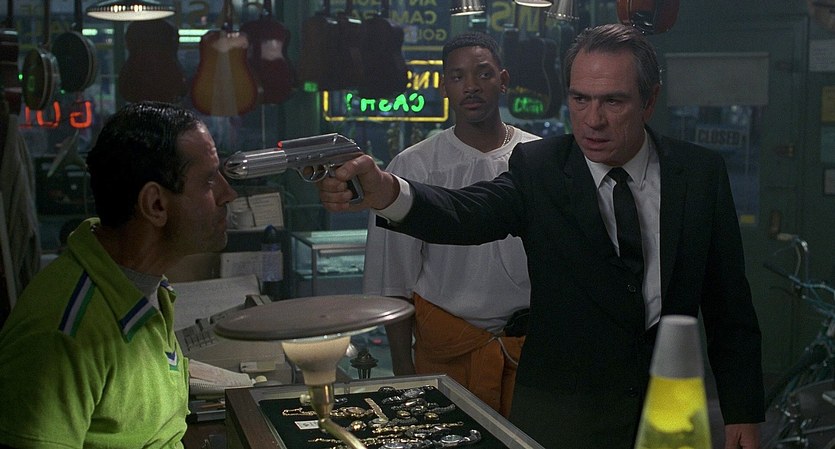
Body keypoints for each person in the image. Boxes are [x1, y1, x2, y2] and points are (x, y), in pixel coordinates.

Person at [318, 24, 764, 449]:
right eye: (580, 99)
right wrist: (386, 191)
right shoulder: (539, 166)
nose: (593, 120)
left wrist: (742, 411)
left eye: (613, 101)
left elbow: (729, 305)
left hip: (667, 407)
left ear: (649, 101)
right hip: (561, 413)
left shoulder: (699, 174)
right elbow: (465, 212)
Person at [0, 101, 237, 448]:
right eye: (209, 181)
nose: (228, 194)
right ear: (156, 205)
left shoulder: (146, 287)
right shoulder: (61, 335)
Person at [364, 31, 539, 417]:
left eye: (483, 74)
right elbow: (394, 282)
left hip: (530, 351)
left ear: (503, 80)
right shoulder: (412, 167)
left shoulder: (539, 159)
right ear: (444, 87)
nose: (471, 86)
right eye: (458, 77)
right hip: (446, 353)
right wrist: (403, 370)